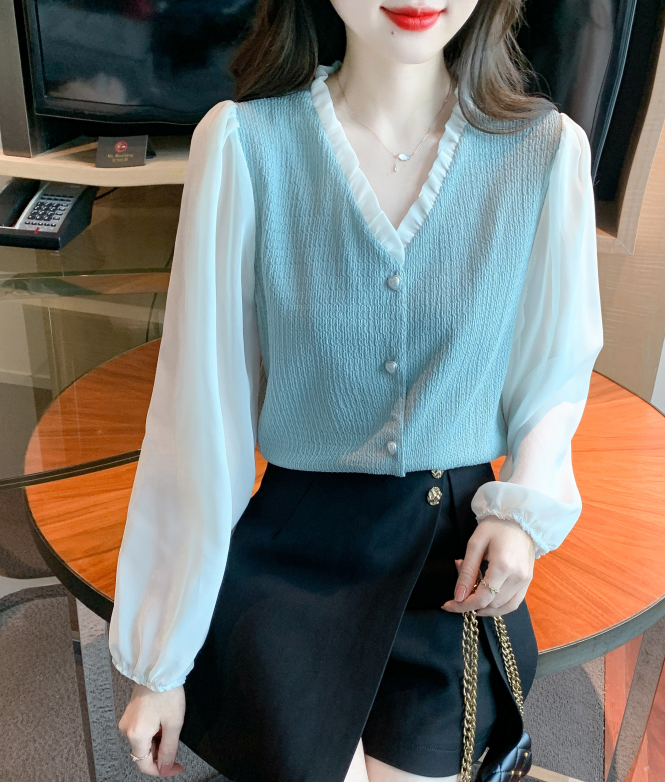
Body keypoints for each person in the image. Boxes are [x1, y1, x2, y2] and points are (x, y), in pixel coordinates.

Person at [108, 1, 604, 781]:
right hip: (293, 555)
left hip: (450, 562)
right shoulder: (243, 145)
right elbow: (199, 416)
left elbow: (554, 370)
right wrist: (160, 662)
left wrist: (524, 512)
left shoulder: (544, 153)